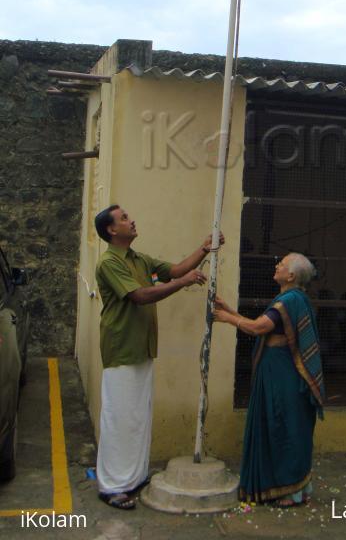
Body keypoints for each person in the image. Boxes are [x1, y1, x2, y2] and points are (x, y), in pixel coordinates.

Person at [93, 204, 221, 510]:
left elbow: (174, 270)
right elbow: (139, 295)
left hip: (142, 347)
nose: (131, 219)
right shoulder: (109, 263)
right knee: (119, 418)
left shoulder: (139, 259)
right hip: (122, 348)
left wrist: (203, 248)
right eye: (124, 218)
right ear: (112, 230)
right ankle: (111, 486)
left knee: (137, 416)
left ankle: (133, 478)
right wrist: (182, 283)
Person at [213, 253, 324, 507]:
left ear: (292, 276)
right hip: (279, 371)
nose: (277, 266)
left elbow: (258, 328)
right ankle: (296, 489)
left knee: (282, 426)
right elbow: (261, 324)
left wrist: (227, 318)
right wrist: (228, 308)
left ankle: (288, 490)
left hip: (282, 374)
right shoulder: (293, 299)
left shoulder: (289, 300)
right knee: (288, 426)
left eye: (282, 264)